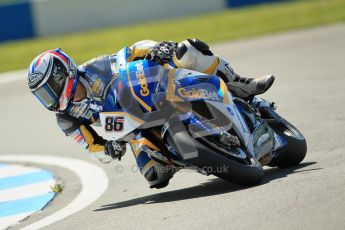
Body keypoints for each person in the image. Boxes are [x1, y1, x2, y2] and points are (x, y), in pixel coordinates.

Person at [27, 39, 274, 188]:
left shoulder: (95, 67)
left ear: (64, 75)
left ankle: (242, 85)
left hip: (155, 91)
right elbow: (90, 144)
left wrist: (157, 48)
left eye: (49, 89)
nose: (48, 98)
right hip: (134, 130)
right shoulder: (65, 118)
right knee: (155, 176)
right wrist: (108, 148)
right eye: (42, 95)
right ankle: (201, 155)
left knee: (187, 50)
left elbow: (132, 51)